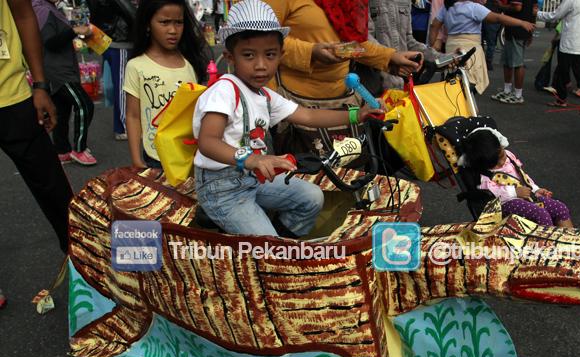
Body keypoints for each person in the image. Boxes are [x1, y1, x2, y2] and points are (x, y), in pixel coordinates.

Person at [194, 0, 384, 237]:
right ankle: (270, 251)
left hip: (253, 179)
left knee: (312, 198)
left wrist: (356, 114)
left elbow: (307, 114)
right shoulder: (224, 91)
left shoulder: (264, 94)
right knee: (268, 244)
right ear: (230, 57)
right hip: (222, 188)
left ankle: (283, 245)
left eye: (270, 55)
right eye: (249, 55)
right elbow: (208, 142)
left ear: (281, 55)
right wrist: (251, 160)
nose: (261, 65)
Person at [267, 0, 422, 157]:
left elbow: (352, 46)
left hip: (344, 101)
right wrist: (311, 51)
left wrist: (390, 57)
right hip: (297, 105)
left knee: (351, 173)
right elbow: (261, 40)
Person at [1, 0, 75, 304]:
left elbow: (23, 14)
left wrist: (41, 84)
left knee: (54, 191)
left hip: (12, 95)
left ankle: (88, 266)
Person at [123, 0, 207, 169]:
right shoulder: (136, 66)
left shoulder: (190, 64)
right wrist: (136, 160)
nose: (173, 30)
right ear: (148, 24)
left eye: (178, 22)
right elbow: (133, 116)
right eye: (164, 22)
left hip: (189, 156)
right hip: (155, 157)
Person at [462, 118, 573, 228]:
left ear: (501, 145)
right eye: (495, 164)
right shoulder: (483, 175)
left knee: (560, 208)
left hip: (524, 196)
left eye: (501, 156)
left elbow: (522, 176)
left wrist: (535, 189)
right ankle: (549, 243)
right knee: (541, 215)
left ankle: (573, 241)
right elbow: (490, 196)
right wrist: (514, 192)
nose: (501, 163)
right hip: (504, 205)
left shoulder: (509, 156)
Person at [33, 0, 96, 165]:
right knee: (84, 104)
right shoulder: (41, 9)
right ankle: (79, 149)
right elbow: (50, 43)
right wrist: (74, 30)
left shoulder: (49, 8)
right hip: (58, 71)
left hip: (61, 68)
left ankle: (62, 150)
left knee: (62, 109)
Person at [428, 0, 536, 94]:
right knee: (470, 84)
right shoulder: (473, 8)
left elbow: (434, 25)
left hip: (451, 48)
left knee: (453, 82)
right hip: (470, 50)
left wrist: (432, 45)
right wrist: (521, 22)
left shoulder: (447, 8)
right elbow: (498, 18)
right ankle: (467, 113)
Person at [86, 0, 137, 141]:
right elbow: (132, 14)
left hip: (106, 38)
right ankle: (123, 126)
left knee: (119, 82)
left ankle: (123, 125)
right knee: (122, 84)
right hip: (120, 40)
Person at [537, 0, 580, 107]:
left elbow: (555, 15)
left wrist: (537, 13)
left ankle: (562, 99)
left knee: (562, 71)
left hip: (569, 41)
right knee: (579, 71)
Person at [369, 0, 443, 90]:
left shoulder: (405, 1)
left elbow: (408, 40)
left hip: (399, 83)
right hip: (373, 86)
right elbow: (362, 41)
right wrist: (391, 58)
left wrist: (440, 58)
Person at [490, 0, 537, 104]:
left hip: (516, 29)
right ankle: (507, 91)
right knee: (508, 62)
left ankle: (518, 95)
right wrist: (531, 32)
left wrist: (502, 6)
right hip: (517, 29)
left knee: (517, 63)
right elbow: (534, 10)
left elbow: (517, 7)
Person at [481, 0, 501, 71]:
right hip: (492, 16)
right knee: (491, 42)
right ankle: (487, 62)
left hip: (484, 15)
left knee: (480, 42)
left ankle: (484, 62)